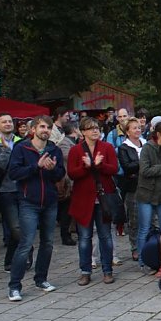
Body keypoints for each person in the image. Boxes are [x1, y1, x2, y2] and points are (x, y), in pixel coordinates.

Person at [6, 115, 66, 301]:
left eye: (48, 127)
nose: (45, 130)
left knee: (47, 243)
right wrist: (36, 166)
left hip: (49, 201)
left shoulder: (54, 149)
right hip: (28, 202)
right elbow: (14, 173)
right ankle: (14, 286)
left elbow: (60, 174)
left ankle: (41, 279)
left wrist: (52, 170)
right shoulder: (21, 148)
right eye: (42, 127)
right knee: (25, 244)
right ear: (33, 129)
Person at [67, 117, 120, 286]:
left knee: (105, 236)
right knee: (84, 237)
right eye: (90, 128)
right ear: (83, 132)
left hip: (104, 198)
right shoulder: (76, 150)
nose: (95, 131)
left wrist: (99, 165)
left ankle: (107, 270)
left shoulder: (107, 147)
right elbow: (72, 173)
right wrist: (87, 166)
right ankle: (85, 271)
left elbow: (114, 168)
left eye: (96, 128)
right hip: (84, 199)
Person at [134, 121, 161, 270]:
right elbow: (145, 171)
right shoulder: (147, 148)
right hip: (146, 194)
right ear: (158, 134)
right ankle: (142, 261)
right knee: (144, 229)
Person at [0, 113, 25, 272]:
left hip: (23, 189)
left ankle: (15, 258)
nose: (8, 124)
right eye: (4, 122)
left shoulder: (21, 142)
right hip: (5, 191)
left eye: (10, 121)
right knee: (14, 228)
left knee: (24, 226)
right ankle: (25, 251)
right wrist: (7, 151)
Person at [118, 118, 144, 259]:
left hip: (147, 186)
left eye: (139, 127)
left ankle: (146, 245)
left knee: (148, 218)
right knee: (134, 219)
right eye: (134, 128)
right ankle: (134, 247)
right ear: (127, 131)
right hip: (133, 187)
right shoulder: (124, 147)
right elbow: (127, 168)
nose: (137, 130)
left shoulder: (145, 144)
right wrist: (142, 162)